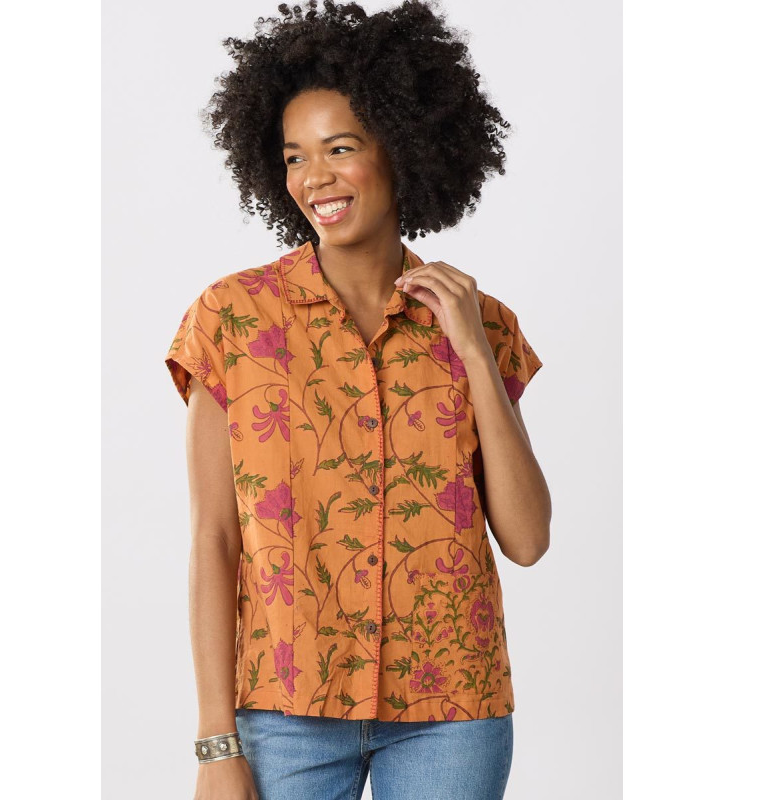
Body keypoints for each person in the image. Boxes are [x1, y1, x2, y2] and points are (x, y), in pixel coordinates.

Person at [164, 2, 552, 798]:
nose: (315, 178)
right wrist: (214, 743)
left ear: (403, 150)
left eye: (340, 148)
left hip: (454, 708)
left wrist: (474, 352)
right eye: (295, 157)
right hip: (286, 710)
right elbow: (213, 539)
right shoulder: (232, 319)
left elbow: (527, 539)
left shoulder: (483, 323)